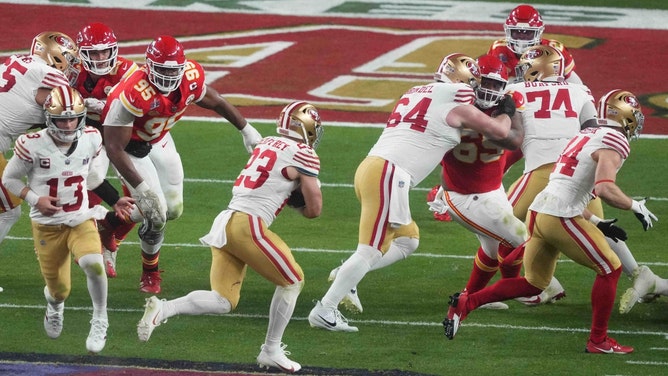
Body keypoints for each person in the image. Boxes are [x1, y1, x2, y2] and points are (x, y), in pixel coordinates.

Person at [309, 53, 514, 331]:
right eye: (474, 81)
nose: (477, 88)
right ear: (465, 79)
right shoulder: (456, 100)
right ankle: (325, 309)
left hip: (376, 169)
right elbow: (499, 130)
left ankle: (348, 274)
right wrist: (508, 109)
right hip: (389, 174)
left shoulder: (417, 91)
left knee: (408, 240)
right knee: (369, 249)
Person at [443, 89, 655, 355]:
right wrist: (635, 206)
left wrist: (597, 222)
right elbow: (604, 188)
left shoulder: (585, 134)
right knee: (610, 269)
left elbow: (570, 187)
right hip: (559, 216)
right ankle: (598, 341)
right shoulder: (614, 140)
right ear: (622, 115)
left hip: (540, 210)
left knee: (534, 283)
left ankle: (467, 302)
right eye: (633, 114)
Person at [136, 101, 324, 373]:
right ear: (306, 127)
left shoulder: (268, 142)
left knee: (223, 300)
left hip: (226, 221)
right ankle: (271, 349)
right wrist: (300, 197)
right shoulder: (304, 153)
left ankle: (163, 309)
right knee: (292, 281)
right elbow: (314, 211)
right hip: (248, 225)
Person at [102, 35, 263, 294]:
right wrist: (141, 188)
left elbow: (216, 100)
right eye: (162, 70)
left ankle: (108, 223)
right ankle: (150, 272)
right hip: (129, 148)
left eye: (172, 70)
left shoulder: (190, 77)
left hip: (160, 139)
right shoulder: (132, 92)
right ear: (148, 67)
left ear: (182, 66)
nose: (167, 76)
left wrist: (246, 129)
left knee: (173, 210)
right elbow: (113, 147)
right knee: (155, 214)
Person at [1, 86, 134, 353]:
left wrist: (114, 199)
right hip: (47, 226)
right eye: (62, 118)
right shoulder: (31, 144)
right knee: (59, 290)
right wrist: (34, 199)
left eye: (73, 117)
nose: (68, 123)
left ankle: (100, 319)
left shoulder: (91, 137)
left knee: (93, 265)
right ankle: (55, 305)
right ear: (49, 118)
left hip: (80, 217)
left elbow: (92, 178)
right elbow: (9, 179)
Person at [428, 54, 562, 310]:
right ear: (473, 81)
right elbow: (512, 141)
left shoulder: (495, 108)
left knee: (492, 248)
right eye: (485, 83)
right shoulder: (463, 108)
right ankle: (511, 290)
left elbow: (513, 149)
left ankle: (471, 295)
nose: (489, 90)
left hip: (491, 188)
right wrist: (515, 111)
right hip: (462, 195)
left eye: (496, 85)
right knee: (521, 236)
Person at [0, 31, 79, 256]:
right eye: (69, 59)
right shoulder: (50, 76)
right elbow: (62, 113)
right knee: (8, 212)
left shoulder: (16, 60)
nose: (71, 66)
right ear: (56, 56)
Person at [73, 22, 140, 278]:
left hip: (128, 136)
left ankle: (110, 234)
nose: (101, 58)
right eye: (94, 53)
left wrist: (102, 104)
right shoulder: (71, 72)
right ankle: (92, 246)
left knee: (143, 203)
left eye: (105, 52)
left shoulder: (128, 71)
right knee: (85, 188)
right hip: (89, 134)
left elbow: (141, 110)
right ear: (82, 53)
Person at [488, 4, 583, 84]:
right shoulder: (499, 49)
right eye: (517, 32)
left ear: (539, 33)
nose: (522, 39)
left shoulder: (554, 51)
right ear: (508, 31)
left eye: (527, 33)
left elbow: (575, 85)